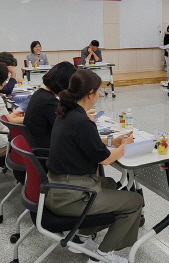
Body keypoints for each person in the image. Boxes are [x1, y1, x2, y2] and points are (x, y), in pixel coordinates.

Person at [46, 69, 143, 263]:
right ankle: (103, 254)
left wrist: (112, 141)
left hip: (57, 188)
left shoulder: (66, 112)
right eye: (98, 91)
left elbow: (85, 141)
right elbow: (106, 159)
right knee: (134, 201)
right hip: (72, 196)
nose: (99, 94)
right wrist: (123, 146)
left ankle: (82, 238)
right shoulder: (81, 121)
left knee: (109, 184)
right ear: (91, 93)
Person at [24, 61, 77, 150]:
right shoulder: (49, 101)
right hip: (46, 151)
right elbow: (66, 129)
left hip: (36, 146)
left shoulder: (39, 93)